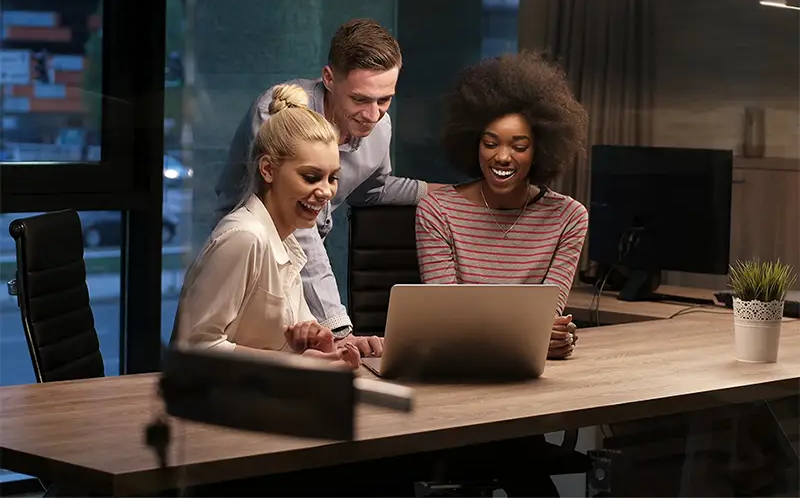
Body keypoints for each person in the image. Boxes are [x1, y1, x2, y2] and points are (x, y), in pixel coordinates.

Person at [215, 18, 441, 358]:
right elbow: (293, 224)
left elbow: (372, 190)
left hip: (297, 274)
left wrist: (448, 193)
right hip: (249, 262)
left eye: (385, 100)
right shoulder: (280, 113)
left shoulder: (380, 127)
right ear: (329, 78)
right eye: (361, 99)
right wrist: (338, 326)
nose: (373, 114)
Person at [172, 84, 360, 370]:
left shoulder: (286, 241)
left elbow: (282, 347)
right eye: (311, 177)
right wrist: (292, 362)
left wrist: (323, 351)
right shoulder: (245, 237)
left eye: (332, 178)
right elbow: (195, 348)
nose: (326, 191)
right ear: (268, 170)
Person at [416, 52, 589, 360]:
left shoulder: (568, 217)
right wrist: (530, 334)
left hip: (529, 374)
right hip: (457, 366)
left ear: (540, 150)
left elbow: (547, 317)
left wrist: (552, 335)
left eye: (519, 146)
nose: (503, 157)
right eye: (491, 143)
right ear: (473, 143)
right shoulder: (437, 210)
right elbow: (444, 315)